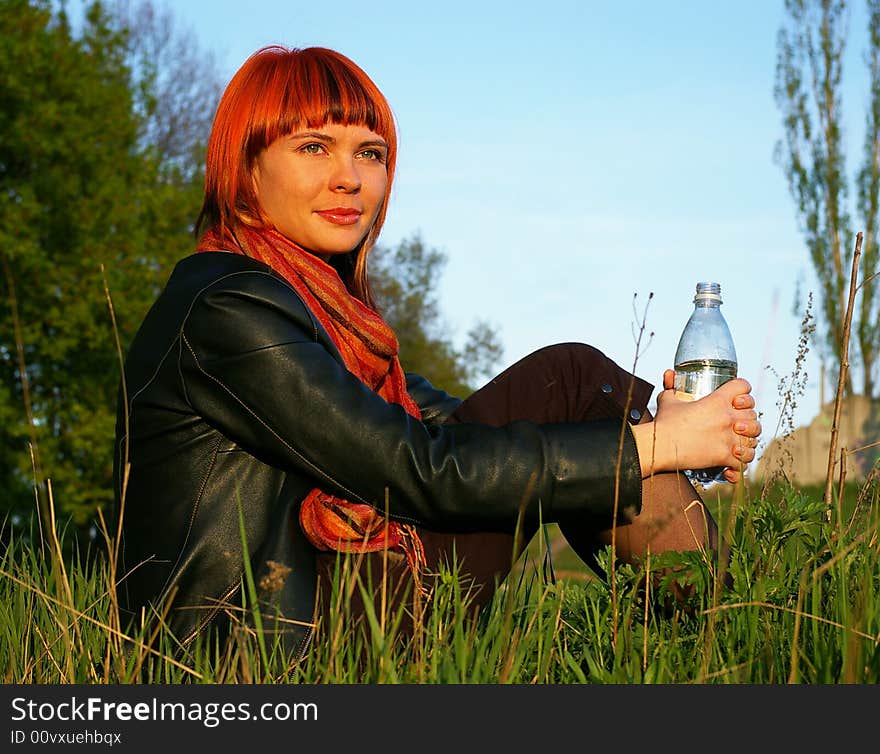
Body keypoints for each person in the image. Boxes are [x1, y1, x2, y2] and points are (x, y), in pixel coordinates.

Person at [112, 45, 762, 661]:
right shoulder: (227, 307)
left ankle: (728, 640)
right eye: (314, 147)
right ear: (246, 167)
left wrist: (664, 434)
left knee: (571, 390)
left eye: (370, 154)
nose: (349, 178)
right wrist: (661, 447)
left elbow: (454, 432)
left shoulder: (320, 313)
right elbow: (417, 470)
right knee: (573, 388)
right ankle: (736, 641)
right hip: (267, 661)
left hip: (344, 609)